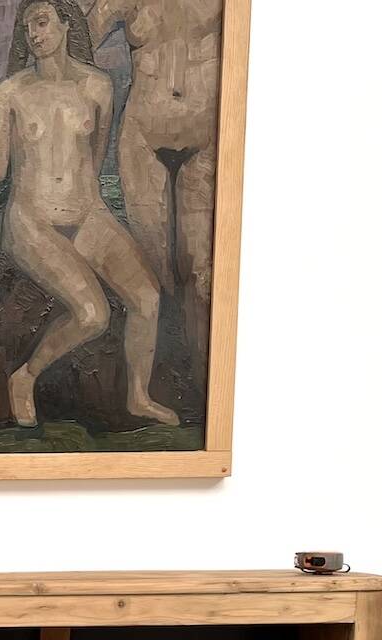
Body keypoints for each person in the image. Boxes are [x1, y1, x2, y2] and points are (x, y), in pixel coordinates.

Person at [0, 0, 176, 428]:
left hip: (88, 215)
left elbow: (94, 159)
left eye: (42, 22)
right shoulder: (8, 93)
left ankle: (138, 397)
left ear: (67, 25)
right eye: (27, 26)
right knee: (92, 315)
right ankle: (25, 377)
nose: (33, 33)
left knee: (148, 297)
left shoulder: (99, 86)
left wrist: (90, 213)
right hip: (31, 222)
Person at [84, 0, 222, 393]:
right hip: (143, 138)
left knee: (201, 272)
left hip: (208, 139)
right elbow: (77, 44)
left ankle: (207, 389)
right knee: (155, 271)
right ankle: (161, 382)